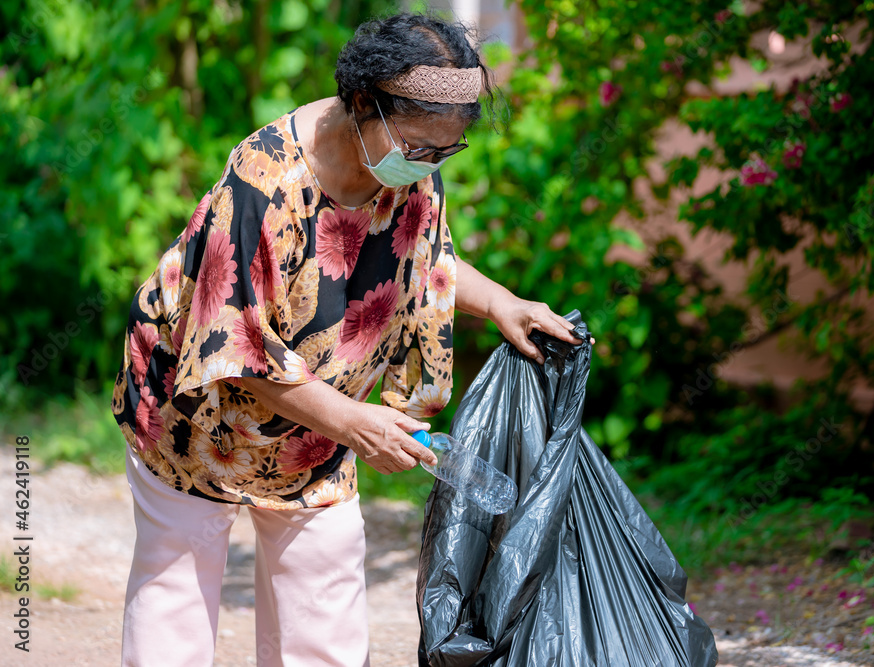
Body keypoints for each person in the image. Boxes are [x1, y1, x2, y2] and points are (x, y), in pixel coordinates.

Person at [111, 12, 586, 667]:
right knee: (176, 616)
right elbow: (235, 350)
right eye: (420, 147)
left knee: (325, 619)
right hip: (195, 414)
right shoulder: (263, 181)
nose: (429, 164)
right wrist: (357, 426)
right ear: (363, 103)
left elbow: (425, 255)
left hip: (318, 424)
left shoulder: (409, 168)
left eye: (447, 151)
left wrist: (503, 303)